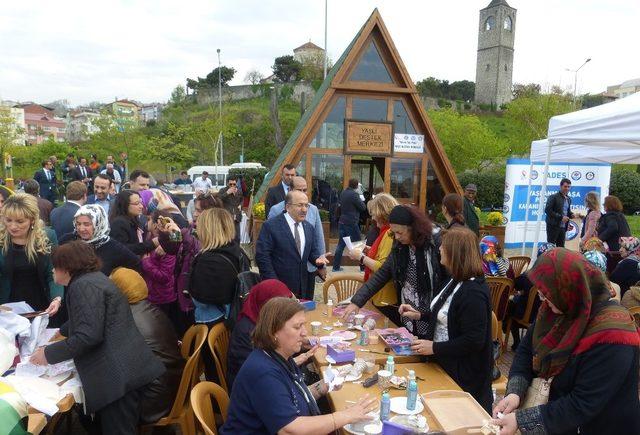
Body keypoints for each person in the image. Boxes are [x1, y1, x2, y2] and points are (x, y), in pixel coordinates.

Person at [492, 248, 640, 435]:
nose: (544, 300)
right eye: (541, 293)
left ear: (568, 287)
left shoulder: (615, 333)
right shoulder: (558, 309)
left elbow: (583, 403)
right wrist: (515, 393)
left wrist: (522, 422)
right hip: (563, 420)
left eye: (547, 294)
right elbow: (526, 351)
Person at [30, 241, 165, 434]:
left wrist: (48, 354)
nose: (52, 272)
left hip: (117, 378)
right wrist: (63, 331)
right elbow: (91, 316)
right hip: (124, 369)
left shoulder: (82, 286)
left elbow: (88, 336)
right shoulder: (93, 279)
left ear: (67, 268)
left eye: (55, 267)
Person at [221, 297, 377, 434]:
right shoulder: (263, 373)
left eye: (304, 325)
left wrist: (324, 385)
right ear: (273, 332)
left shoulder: (278, 356)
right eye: (297, 327)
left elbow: (292, 397)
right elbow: (290, 429)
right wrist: (345, 416)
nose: (304, 333)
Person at [399, 228, 493, 411]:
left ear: (456, 253)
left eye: (444, 246)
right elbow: (446, 313)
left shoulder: (473, 292)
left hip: (464, 375)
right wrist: (420, 313)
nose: (440, 249)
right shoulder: (455, 279)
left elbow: (474, 340)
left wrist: (434, 347)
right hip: (445, 363)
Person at [343, 205, 444, 337]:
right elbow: (383, 274)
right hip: (408, 312)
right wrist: (357, 301)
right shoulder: (400, 246)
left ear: (414, 229)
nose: (396, 237)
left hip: (429, 314)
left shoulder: (434, 244)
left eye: (400, 233)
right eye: (394, 233)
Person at [110, 267, 184, 424]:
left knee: (103, 404)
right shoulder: (149, 308)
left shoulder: (126, 318)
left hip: (156, 399)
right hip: (174, 385)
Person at [256, 190, 329, 300]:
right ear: (288, 207)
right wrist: (274, 285)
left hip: (303, 289)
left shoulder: (308, 227)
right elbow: (263, 258)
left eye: (306, 205)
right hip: (278, 289)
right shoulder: (271, 226)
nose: (304, 209)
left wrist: (318, 261)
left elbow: (311, 253)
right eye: (300, 205)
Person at [0, 193, 63, 315]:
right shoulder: (2, 239)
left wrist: (57, 298)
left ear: (32, 220)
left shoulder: (48, 236)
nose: (13, 226)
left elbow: (53, 271)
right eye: (8, 220)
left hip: (43, 306)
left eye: (20, 221)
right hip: (7, 308)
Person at [227, 279, 295, 389]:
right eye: (281, 307)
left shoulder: (262, 318)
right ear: (266, 305)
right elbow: (259, 371)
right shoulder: (248, 331)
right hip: (251, 389)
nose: (285, 311)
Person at [346, 193, 399, 322]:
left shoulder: (389, 233)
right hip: (381, 295)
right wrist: (369, 251)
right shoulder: (385, 232)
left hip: (384, 297)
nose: (373, 217)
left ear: (381, 213)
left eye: (374, 213)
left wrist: (361, 257)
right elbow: (383, 255)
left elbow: (382, 267)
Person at [268, 176, 327, 286]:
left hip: (308, 267)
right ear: (290, 190)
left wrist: (321, 264)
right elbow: (268, 246)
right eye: (299, 190)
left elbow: (319, 238)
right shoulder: (276, 210)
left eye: (305, 190)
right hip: (284, 271)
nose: (303, 193)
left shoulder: (313, 210)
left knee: (306, 301)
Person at [189, 208, 243, 326]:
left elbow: (201, 301)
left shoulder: (208, 261)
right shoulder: (237, 251)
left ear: (207, 230)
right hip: (232, 316)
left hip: (212, 321)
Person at [60, 204, 140, 275]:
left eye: (86, 224)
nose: (81, 228)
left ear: (98, 224)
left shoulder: (112, 246)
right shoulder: (68, 240)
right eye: (78, 224)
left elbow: (137, 264)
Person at [141, 211, 181, 331]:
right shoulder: (150, 238)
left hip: (161, 297)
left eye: (149, 220)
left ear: (156, 225)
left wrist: (146, 262)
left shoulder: (168, 245)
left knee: (161, 329)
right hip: (152, 293)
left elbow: (164, 276)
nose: (146, 222)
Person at [110, 190, 158, 255]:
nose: (141, 206)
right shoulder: (119, 223)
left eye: (141, 202)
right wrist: (152, 244)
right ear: (125, 205)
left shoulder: (135, 219)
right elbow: (122, 249)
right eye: (136, 203)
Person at [332, 178, 366, 272]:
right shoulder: (354, 194)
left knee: (341, 245)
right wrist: (361, 198)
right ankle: (363, 268)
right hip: (351, 222)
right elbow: (363, 207)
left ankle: (335, 267)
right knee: (359, 244)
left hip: (342, 221)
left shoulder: (343, 192)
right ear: (356, 186)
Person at [544, 178, 574, 247]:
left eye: (568, 187)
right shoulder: (553, 197)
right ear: (560, 186)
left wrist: (572, 214)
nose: (567, 188)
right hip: (553, 226)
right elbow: (548, 210)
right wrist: (561, 217)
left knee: (561, 247)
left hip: (563, 227)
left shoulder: (569, 199)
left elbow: (567, 211)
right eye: (565, 186)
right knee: (551, 247)